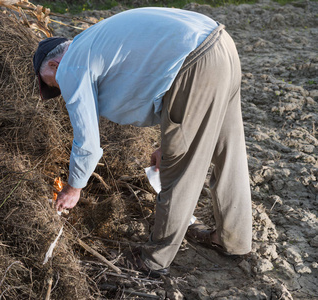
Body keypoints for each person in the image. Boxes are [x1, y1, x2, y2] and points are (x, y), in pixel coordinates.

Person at [33, 7, 252, 278]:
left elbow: (88, 142)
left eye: (52, 85)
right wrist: (166, 142)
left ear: (54, 66)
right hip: (221, 46)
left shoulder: (71, 65)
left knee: (179, 169)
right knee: (229, 152)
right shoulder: (95, 42)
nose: (59, 90)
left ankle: (155, 260)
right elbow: (157, 75)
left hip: (196, 63)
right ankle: (234, 240)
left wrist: (73, 188)